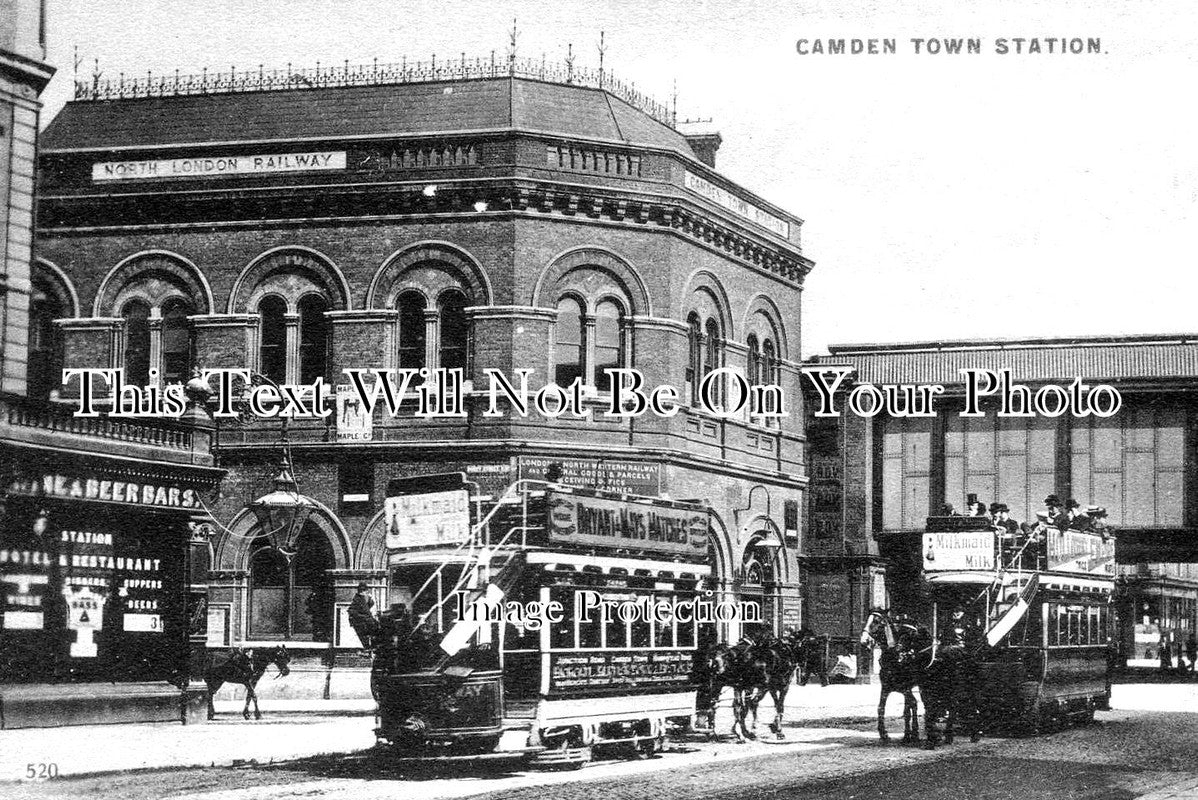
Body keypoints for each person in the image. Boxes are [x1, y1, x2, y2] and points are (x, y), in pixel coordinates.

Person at [347, 582, 379, 650]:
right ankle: (371, 648)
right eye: (365, 591)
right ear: (361, 591)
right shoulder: (358, 599)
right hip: (361, 622)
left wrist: (369, 599)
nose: (366, 592)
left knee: (377, 627)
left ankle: (373, 647)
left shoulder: (363, 598)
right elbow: (352, 611)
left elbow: (368, 606)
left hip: (366, 620)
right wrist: (364, 617)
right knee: (373, 630)